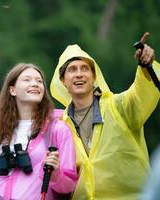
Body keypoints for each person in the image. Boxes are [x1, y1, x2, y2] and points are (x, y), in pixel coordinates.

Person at [50, 32, 159, 200]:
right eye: (72, 70)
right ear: (63, 81)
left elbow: (141, 93)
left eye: (85, 68)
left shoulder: (118, 107)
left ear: (94, 77)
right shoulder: (61, 126)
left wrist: (145, 68)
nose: (79, 74)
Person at [0, 63, 78, 200]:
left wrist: (56, 174)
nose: (35, 84)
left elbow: (69, 186)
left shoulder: (57, 129)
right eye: (27, 80)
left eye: (39, 81)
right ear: (12, 90)